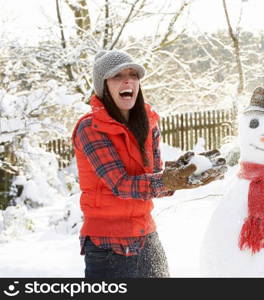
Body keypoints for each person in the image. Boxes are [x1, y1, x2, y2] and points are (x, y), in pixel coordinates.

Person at [72, 49, 227, 278]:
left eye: (133, 75)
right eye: (117, 76)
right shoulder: (90, 129)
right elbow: (121, 185)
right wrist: (165, 180)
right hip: (109, 247)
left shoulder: (147, 123)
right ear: (103, 86)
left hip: (146, 238)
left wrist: (179, 175)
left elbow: (153, 181)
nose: (128, 80)